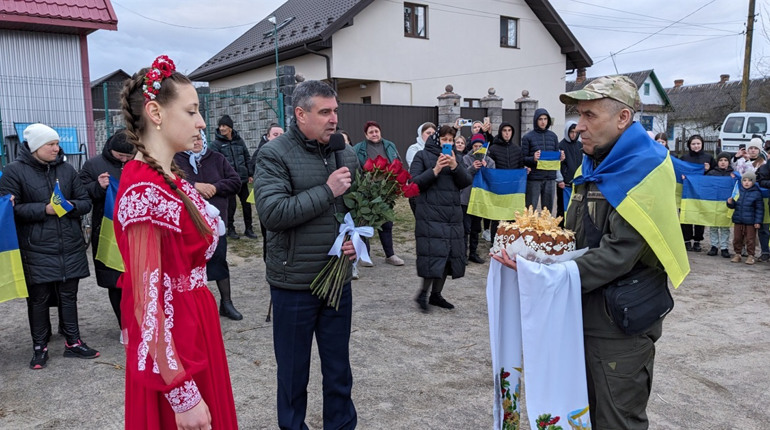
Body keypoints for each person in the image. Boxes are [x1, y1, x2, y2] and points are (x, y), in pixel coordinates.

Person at [494, 75, 685, 428]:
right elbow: (575, 235)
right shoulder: (595, 160)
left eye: (589, 115)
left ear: (623, 118)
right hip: (579, 312)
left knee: (615, 421)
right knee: (579, 416)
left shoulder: (646, 168)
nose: (579, 126)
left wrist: (546, 277)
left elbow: (619, 253)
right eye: (579, 115)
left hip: (618, 325)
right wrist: (534, 254)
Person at [115, 56, 238, 429]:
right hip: (177, 340)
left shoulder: (170, 178)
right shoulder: (144, 189)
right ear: (155, 112)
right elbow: (144, 300)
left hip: (195, 321)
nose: (201, 122)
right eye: (191, 111)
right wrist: (180, 391)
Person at [254, 80, 359, 430]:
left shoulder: (345, 153)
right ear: (300, 114)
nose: (334, 119)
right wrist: (327, 190)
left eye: (335, 111)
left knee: (339, 371)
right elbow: (273, 214)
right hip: (294, 284)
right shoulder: (274, 154)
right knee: (293, 375)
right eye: (324, 112)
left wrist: (355, 241)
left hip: (337, 280)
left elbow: (356, 209)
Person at [0, 123, 98, 369]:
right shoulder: (13, 171)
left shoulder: (66, 169)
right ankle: (39, 347)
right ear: (35, 147)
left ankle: (73, 342)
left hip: (70, 245)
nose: (56, 148)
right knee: (38, 299)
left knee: (69, 296)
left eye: (57, 144)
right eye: (51, 144)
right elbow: (11, 209)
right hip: (36, 247)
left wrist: (70, 206)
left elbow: (85, 201)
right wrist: (44, 209)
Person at [174, 131, 244, 320]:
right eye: (193, 138)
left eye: (199, 138)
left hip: (215, 223)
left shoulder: (217, 158)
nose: (196, 142)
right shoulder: (176, 159)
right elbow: (172, 183)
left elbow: (235, 182)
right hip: (189, 223)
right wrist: (194, 186)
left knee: (219, 260)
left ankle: (226, 303)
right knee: (188, 266)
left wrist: (216, 187)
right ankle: (190, 306)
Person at [410, 125, 473, 311]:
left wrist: (455, 167)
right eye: (444, 139)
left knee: (448, 255)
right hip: (430, 213)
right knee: (433, 253)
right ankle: (423, 293)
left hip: (452, 214)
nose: (448, 143)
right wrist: (436, 169)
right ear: (437, 139)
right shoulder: (422, 156)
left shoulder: (456, 157)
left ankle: (436, 295)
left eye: (450, 140)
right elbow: (415, 183)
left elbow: (466, 181)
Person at [79, 129, 134, 332]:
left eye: (129, 156)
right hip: (108, 230)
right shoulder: (93, 165)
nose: (125, 159)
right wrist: (97, 186)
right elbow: (80, 193)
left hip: (136, 230)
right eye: (121, 155)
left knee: (139, 278)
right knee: (115, 280)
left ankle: (142, 322)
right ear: (111, 149)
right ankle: (124, 325)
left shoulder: (140, 162)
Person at [353, 120, 405, 267]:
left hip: (386, 190)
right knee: (365, 223)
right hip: (368, 190)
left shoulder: (389, 145)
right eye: (371, 132)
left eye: (376, 131)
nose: (374, 134)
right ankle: (365, 256)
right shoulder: (358, 148)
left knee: (386, 223)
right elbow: (355, 168)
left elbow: (398, 163)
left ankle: (390, 255)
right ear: (366, 135)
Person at [211, 114, 257, 240]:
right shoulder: (216, 144)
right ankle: (231, 229)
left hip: (242, 179)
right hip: (229, 181)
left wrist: (250, 173)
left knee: (247, 205)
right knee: (230, 206)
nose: (221, 128)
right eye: (220, 126)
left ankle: (249, 228)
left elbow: (247, 157)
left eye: (224, 126)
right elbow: (215, 163)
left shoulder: (239, 141)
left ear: (230, 128)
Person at [249, 123, 284, 263]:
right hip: (266, 198)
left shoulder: (287, 151)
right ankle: (268, 260)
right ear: (268, 136)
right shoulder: (262, 151)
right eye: (275, 135)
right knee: (268, 233)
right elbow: (251, 167)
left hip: (283, 197)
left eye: (281, 135)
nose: (279, 137)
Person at [461, 133, 495, 264]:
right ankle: (463, 254)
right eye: (475, 146)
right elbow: (462, 176)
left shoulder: (490, 161)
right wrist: (472, 168)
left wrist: (486, 169)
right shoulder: (465, 158)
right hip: (466, 198)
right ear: (472, 147)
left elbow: (492, 179)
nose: (478, 148)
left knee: (476, 228)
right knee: (465, 228)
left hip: (480, 199)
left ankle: (473, 253)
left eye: (480, 146)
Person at [679, 134, 717, 252]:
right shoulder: (684, 158)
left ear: (702, 144)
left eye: (698, 143)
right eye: (693, 144)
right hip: (687, 192)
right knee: (686, 215)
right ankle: (686, 240)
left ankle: (697, 241)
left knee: (700, 215)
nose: (696, 146)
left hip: (701, 192)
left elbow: (716, 173)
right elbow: (678, 171)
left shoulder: (708, 157)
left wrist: (708, 170)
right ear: (689, 145)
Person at [486, 122, 523, 241]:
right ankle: (494, 242)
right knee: (497, 217)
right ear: (500, 132)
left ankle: (510, 241)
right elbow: (491, 168)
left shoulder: (517, 149)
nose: (507, 133)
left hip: (513, 189)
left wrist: (525, 171)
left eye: (509, 131)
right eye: (504, 131)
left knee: (512, 216)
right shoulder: (493, 149)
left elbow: (520, 166)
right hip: (498, 189)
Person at [522, 108, 563, 211]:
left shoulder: (553, 136)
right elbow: (522, 159)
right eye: (540, 119)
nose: (543, 122)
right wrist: (533, 158)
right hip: (534, 178)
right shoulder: (528, 137)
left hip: (550, 178)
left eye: (545, 119)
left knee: (547, 211)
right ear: (536, 120)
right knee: (531, 209)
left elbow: (556, 156)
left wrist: (560, 157)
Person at [727, 171, 764, 264]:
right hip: (738, 220)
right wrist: (730, 203)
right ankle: (737, 254)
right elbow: (734, 205)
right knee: (737, 238)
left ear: (753, 182)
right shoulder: (738, 191)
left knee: (750, 239)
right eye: (744, 180)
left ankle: (751, 255)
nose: (746, 182)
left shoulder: (757, 193)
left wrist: (758, 221)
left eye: (749, 180)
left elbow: (759, 209)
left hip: (750, 222)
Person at [705, 152, 735, 258]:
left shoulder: (733, 174)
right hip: (713, 203)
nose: (723, 162)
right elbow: (704, 184)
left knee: (725, 227)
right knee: (713, 225)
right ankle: (714, 246)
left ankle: (724, 247)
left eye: (725, 160)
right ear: (717, 162)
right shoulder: (711, 173)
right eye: (721, 160)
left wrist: (735, 178)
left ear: (729, 162)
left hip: (726, 204)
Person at [557, 121, 582, 220]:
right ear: (567, 132)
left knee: (576, 208)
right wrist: (560, 179)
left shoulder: (580, 145)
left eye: (576, 132)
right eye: (571, 132)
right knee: (562, 208)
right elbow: (557, 165)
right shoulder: (561, 145)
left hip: (578, 182)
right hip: (565, 184)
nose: (574, 134)